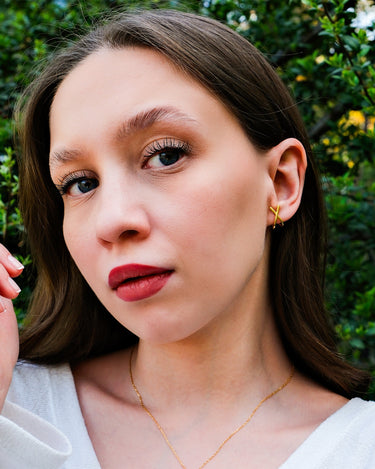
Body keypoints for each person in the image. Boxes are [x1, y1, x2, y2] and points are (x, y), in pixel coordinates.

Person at [0, 8, 374, 469]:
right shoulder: (12, 409)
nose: (112, 220)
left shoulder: (361, 448)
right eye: (81, 183)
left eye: (166, 155)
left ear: (280, 183)